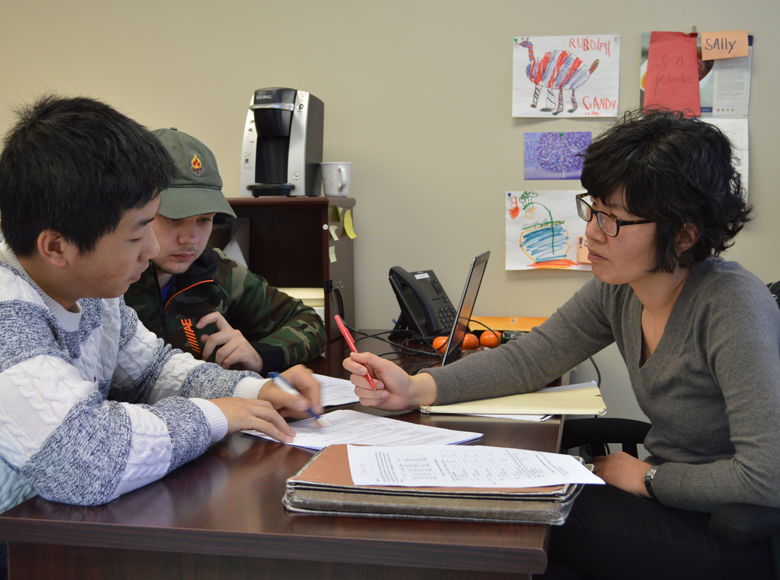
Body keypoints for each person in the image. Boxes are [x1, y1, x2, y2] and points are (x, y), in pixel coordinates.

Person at [343, 110, 780, 579]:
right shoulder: (620, 287)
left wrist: (652, 479)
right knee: (522, 531)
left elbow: (766, 475)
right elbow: (532, 357)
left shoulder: (730, 305)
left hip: (729, 531)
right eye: (592, 208)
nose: (591, 232)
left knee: (525, 519)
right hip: (671, 502)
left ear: (684, 234)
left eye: (613, 220)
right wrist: (415, 387)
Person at [0, 95, 322, 518]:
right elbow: (88, 461)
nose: (151, 248)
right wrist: (215, 415)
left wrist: (256, 391)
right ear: (57, 246)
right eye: (137, 235)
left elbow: (152, 369)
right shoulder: (9, 314)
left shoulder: (95, 292)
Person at [124, 128, 327, 374]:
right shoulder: (106, 283)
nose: (191, 239)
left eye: (204, 220)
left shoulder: (215, 270)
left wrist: (259, 354)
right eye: (174, 219)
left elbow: (310, 322)